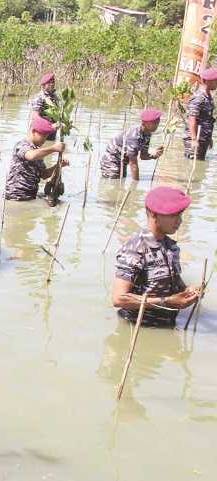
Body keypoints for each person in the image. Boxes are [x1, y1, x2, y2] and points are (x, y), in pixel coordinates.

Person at [112, 186, 200, 327]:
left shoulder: (171, 246)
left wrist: (188, 291)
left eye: (180, 215)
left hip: (168, 325)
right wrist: (167, 301)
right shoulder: (135, 248)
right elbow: (118, 299)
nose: (179, 221)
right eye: (173, 215)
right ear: (153, 214)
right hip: (138, 327)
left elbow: (173, 286)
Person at [4, 117, 67, 201]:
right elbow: (31, 156)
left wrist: (58, 166)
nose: (44, 140)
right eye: (43, 136)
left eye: (46, 137)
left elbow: (44, 174)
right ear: (33, 131)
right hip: (15, 195)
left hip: (30, 195)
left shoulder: (37, 151)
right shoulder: (22, 145)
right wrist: (53, 148)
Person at [100, 109, 164, 180]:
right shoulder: (134, 137)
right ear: (143, 123)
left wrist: (154, 155)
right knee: (114, 183)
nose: (157, 124)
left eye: (158, 121)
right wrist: (135, 185)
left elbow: (143, 156)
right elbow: (133, 164)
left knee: (121, 181)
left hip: (122, 162)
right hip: (111, 162)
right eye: (154, 122)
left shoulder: (147, 133)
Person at [184, 67, 217, 160]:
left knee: (200, 166)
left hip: (203, 138)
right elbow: (192, 119)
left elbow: (207, 119)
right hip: (195, 138)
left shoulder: (208, 96)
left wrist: (209, 138)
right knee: (192, 166)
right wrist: (194, 139)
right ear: (206, 81)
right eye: (215, 81)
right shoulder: (199, 97)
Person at [30, 73, 60, 142]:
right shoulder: (39, 98)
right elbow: (35, 117)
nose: (52, 84)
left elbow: (57, 113)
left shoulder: (55, 96)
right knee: (40, 148)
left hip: (52, 130)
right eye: (49, 83)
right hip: (41, 130)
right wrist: (49, 126)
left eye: (53, 82)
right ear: (43, 85)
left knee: (51, 146)